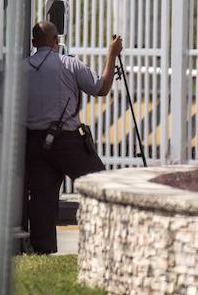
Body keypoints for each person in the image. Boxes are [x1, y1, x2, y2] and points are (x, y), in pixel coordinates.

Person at [24, 21, 122, 254]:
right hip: (66, 141)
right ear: (57, 41)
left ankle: (42, 250)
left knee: (42, 199)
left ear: (33, 43)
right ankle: (106, 239)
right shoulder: (68, 64)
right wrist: (112, 54)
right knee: (100, 184)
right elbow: (101, 87)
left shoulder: (21, 69)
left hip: (35, 143)